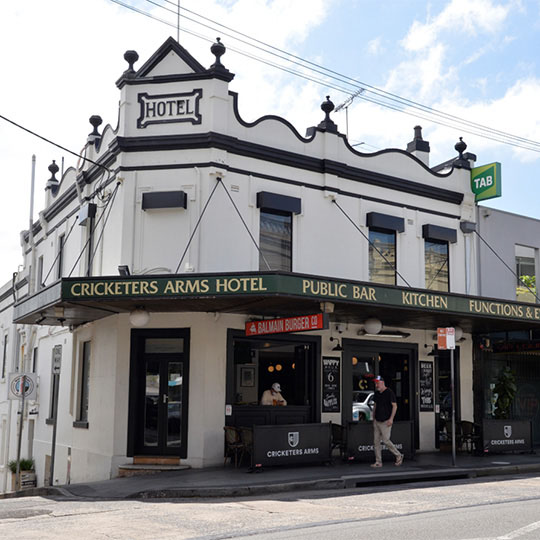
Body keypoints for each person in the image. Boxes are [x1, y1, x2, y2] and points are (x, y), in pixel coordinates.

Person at [371, 375, 403, 467]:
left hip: (386, 421)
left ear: (382, 382)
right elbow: (375, 406)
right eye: (375, 383)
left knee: (386, 440)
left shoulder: (389, 392)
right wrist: (373, 418)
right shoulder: (377, 394)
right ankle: (378, 462)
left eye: (377, 383)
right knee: (376, 442)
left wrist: (391, 419)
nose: (376, 385)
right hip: (377, 421)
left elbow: (395, 406)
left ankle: (398, 455)